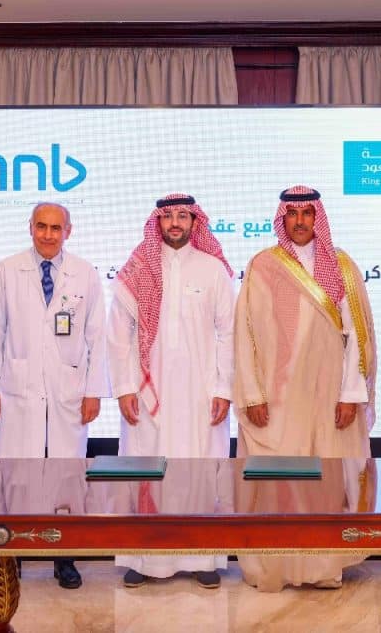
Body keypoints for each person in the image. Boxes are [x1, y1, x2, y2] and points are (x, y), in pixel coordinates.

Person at [233, 185, 376, 590]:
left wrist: (350, 395)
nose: (299, 221)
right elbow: (244, 334)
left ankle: (321, 568)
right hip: (277, 399)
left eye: (307, 213)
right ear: (283, 218)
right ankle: (275, 568)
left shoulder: (342, 266)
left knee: (326, 482)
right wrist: (252, 395)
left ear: (317, 217)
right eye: (292, 214)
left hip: (328, 397)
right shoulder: (262, 266)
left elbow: (358, 337)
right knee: (279, 483)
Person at [0, 202, 109, 589]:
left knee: (67, 477)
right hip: (18, 391)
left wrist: (94, 391)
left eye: (56, 228)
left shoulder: (84, 273)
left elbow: (97, 337)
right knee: (17, 476)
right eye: (41, 226)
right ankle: (14, 554)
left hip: (69, 392)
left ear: (69, 231)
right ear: (30, 227)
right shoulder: (7, 270)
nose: (48, 235)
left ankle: (64, 557)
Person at [107, 193, 235, 589]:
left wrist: (224, 387)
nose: (175, 223)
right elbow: (119, 335)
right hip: (149, 393)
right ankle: (144, 559)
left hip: (201, 393)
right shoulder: (138, 268)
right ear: (158, 222)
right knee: (147, 468)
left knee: (199, 472)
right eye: (168, 217)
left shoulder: (213, 269)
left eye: (183, 216)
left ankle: (202, 557)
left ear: (195, 221)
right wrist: (125, 387)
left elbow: (228, 333)